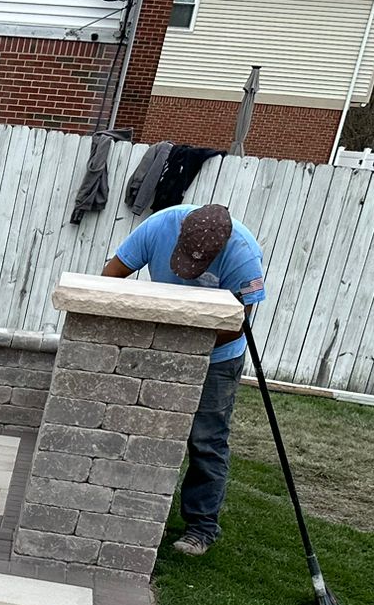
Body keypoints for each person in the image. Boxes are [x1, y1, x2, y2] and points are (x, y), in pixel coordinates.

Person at [102, 202, 265, 556]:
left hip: (218, 357)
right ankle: (128, 503)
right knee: (142, 424)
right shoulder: (159, 226)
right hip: (161, 344)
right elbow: (109, 280)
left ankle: (201, 526)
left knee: (206, 438)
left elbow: (239, 325)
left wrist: (185, 348)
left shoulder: (243, 255)